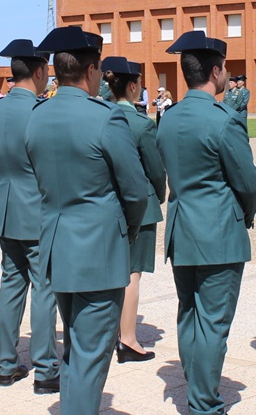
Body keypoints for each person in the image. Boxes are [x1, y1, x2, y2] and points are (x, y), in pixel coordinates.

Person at [25, 26, 149, 415]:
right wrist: (126, 231)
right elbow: (136, 192)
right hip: (98, 250)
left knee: (77, 348)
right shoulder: (106, 118)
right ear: (92, 69)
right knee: (91, 355)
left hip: (57, 246)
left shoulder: (38, 116)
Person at [157, 31, 256, 415]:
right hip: (218, 229)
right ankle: (203, 401)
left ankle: (196, 387)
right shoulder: (223, 119)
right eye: (225, 70)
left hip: (182, 227)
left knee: (190, 315)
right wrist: (246, 214)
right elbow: (247, 182)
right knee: (214, 321)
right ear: (216, 72)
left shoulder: (168, 117)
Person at [0, 39, 61, 394]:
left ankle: (5, 361)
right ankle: (46, 366)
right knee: (44, 287)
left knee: (11, 284)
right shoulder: (39, 110)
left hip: (6, 205)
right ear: (37, 71)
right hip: (36, 208)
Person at [100, 56, 167, 364]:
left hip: (105, 203)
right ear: (131, 86)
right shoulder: (140, 124)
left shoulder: (99, 117)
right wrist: (159, 194)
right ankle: (127, 338)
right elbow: (155, 172)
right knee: (132, 275)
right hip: (139, 204)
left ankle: (111, 331)